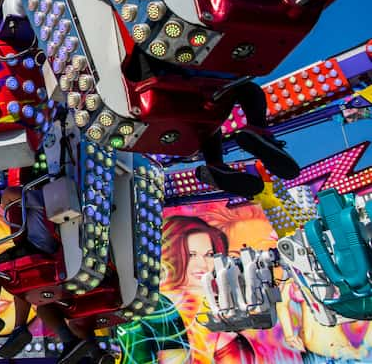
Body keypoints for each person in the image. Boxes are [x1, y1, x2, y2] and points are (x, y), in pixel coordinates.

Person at [125, 50, 299, 198]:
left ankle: (216, 165)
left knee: (207, 120)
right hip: (195, 84)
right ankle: (257, 130)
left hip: (169, 91)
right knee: (247, 90)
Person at [0, 186, 57, 358]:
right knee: (20, 282)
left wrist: (8, 205)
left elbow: (10, 194)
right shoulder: (61, 199)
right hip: (53, 254)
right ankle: (20, 328)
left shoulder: (39, 196)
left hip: (37, 250)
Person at [160, 215, 256, 364]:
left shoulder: (220, 314)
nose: (203, 264)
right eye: (191, 255)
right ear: (171, 255)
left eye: (209, 255)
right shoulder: (160, 309)